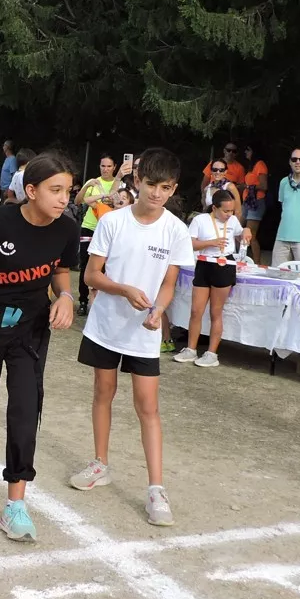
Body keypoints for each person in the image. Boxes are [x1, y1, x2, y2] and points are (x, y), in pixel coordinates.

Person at [0, 154, 80, 542]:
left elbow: (60, 271)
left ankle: (15, 505)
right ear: (32, 190)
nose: (63, 198)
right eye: (56, 190)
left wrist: (66, 296)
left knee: (24, 411)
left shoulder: (67, 228)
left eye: (68, 191)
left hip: (30, 330)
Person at [71, 147, 195, 526]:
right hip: (106, 327)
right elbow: (91, 275)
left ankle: (156, 488)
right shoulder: (112, 222)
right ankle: (100, 463)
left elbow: (169, 283)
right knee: (103, 393)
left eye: (166, 187)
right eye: (151, 185)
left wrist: (159, 309)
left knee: (148, 407)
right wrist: (123, 290)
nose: (157, 193)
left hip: (144, 332)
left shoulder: (176, 230)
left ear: (173, 189)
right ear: (136, 181)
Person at [177, 188, 249, 366]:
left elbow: (241, 233)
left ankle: (211, 353)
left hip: (224, 265)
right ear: (214, 208)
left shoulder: (233, 220)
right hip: (204, 264)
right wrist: (210, 243)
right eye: (225, 211)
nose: (229, 214)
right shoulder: (200, 220)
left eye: (231, 211)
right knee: (196, 310)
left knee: (216, 312)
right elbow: (190, 243)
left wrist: (246, 230)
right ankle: (191, 349)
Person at [77, 186, 130, 315]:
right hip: (101, 253)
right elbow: (87, 200)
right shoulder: (105, 209)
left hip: (117, 256)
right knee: (94, 283)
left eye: (124, 198)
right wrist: (105, 195)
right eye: (118, 196)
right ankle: (91, 309)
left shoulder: (131, 217)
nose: (120, 199)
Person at [240, 145, 269, 263]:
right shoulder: (252, 166)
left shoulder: (260, 165)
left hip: (256, 202)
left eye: (248, 150)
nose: (245, 152)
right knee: (237, 229)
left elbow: (264, 186)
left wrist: (247, 186)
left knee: (251, 235)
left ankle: (257, 263)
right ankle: (239, 258)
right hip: (247, 202)